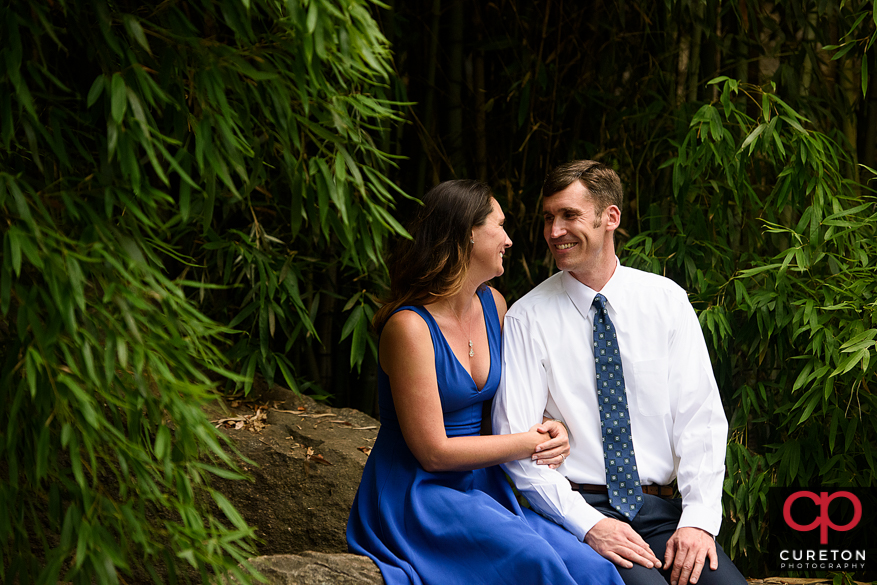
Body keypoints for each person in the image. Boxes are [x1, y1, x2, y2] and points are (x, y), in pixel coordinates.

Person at [346, 179, 625, 585]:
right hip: (421, 493)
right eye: (500, 226)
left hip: (484, 484)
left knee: (593, 568)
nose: (510, 240)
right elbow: (434, 453)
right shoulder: (409, 328)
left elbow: (511, 409)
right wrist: (532, 442)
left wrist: (556, 428)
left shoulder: (494, 305)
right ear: (467, 234)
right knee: (537, 562)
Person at [492, 161, 748, 585]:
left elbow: (699, 420)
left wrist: (698, 521)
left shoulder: (665, 301)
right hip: (579, 512)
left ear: (610, 217)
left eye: (569, 215)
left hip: (665, 514)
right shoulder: (527, 318)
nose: (554, 231)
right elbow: (519, 448)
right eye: (548, 218)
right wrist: (589, 524)